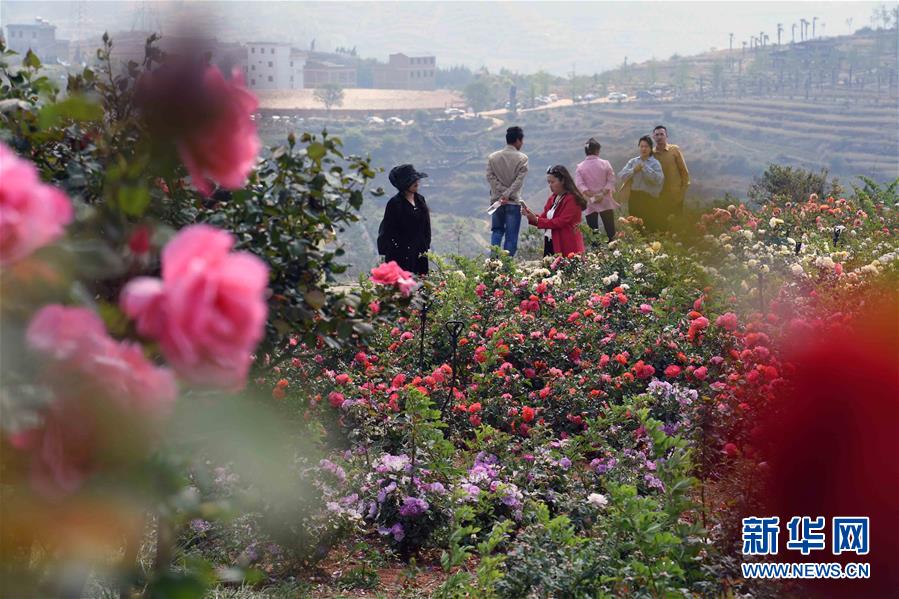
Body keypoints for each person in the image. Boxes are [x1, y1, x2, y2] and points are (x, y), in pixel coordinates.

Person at [521, 165, 587, 257]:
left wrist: (537, 220)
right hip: (550, 241)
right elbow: (544, 218)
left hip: (566, 243)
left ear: (563, 181)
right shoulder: (553, 198)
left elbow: (561, 222)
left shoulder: (572, 199)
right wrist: (530, 215)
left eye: (552, 182)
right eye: (549, 182)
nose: (550, 185)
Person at [377, 164, 431, 275]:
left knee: (421, 285)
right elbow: (388, 230)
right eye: (412, 181)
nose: (417, 183)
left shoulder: (420, 200)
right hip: (401, 255)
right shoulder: (395, 204)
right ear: (404, 184)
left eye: (417, 179)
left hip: (420, 252)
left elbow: (426, 226)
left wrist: (425, 245)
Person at [486, 126, 529, 256]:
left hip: (497, 202)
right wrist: (508, 193)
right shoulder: (522, 159)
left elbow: (490, 177)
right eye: (521, 140)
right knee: (511, 237)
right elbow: (519, 181)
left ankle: (492, 263)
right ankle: (506, 268)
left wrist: (502, 193)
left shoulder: (493, 158)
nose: (522, 143)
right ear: (517, 140)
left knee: (497, 232)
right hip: (513, 203)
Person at [575, 137, 618, 243]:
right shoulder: (605, 163)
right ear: (598, 150)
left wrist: (591, 195)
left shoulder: (580, 167)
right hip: (605, 200)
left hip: (590, 202)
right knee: (611, 232)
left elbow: (579, 184)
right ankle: (615, 253)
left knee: (594, 234)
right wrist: (602, 193)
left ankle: (597, 255)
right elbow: (611, 180)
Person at [618, 135, 664, 231]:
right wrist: (633, 170)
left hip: (649, 198)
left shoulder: (655, 163)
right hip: (634, 197)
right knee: (635, 225)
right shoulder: (633, 161)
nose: (643, 149)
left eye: (646, 146)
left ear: (651, 148)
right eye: (641, 146)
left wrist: (645, 168)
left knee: (648, 225)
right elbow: (621, 176)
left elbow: (658, 180)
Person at [651, 125, 690, 226]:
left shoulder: (674, 150)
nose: (659, 137)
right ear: (653, 137)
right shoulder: (652, 154)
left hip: (676, 195)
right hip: (659, 196)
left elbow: (684, 171)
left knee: (677, 223)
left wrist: (683, 191)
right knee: (662, 224)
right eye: (657, 135)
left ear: (666, 136)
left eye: (661, 134)